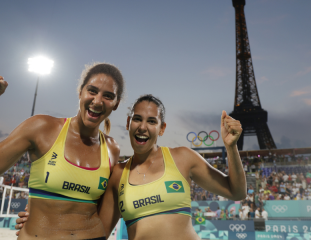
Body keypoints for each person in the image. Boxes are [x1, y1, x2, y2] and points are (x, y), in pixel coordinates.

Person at [17, 94, 246, 240]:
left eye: (152, 121)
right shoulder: (117, 174)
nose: (143, 127)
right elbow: (100, 231)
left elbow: (236, 192)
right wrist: (43, 221)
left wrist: (231, 148)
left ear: (162, 128)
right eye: (137, 119)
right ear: (128, 123)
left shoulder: (183, 157)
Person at [0, 63, 124, 240]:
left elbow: (103, 209)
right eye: (92, 91)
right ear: (80, 91)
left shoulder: (112, 149)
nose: (97, 101)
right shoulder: (42, 128)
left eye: (108, 96)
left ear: (115, 104)